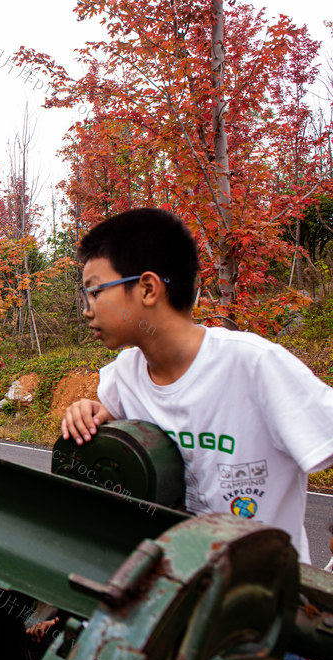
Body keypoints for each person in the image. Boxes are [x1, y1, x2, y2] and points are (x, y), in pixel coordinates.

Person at [61, 208, 333, 565]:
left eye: (94, 292)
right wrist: (86, 415)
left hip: (264, 596)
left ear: (147, 288)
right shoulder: (125, 375)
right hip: (175, 589)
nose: (87, 310)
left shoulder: (254, 365)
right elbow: (114, 430)